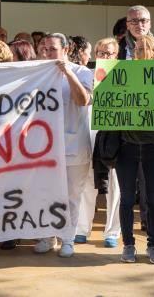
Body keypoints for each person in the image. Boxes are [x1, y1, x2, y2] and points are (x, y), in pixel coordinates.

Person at [33, 33, 93, 258]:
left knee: (71, 195)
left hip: (74, 144)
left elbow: (82, 100)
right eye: (45, 49)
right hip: (44, 146)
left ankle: (68, 238)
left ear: (66, 50)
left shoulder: (83, 72)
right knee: (46, 192)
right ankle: (48, 236)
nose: (48, 53)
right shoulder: (38, 73)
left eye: (53, 49)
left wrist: (67, 72)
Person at [116, 34, 154, 265]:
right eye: (137, 47)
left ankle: (153, 246)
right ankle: (128, 245)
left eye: (144, 48)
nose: (139, 51)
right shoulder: (121, 72)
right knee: (127, 198)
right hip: (127, 146)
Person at [77, 38, 121, 248]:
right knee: (87, 183)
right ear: (96, 55)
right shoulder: (88, 76)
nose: (105, 56)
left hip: (115, 138)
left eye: (109, 53)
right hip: (90, 134)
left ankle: (112, 232)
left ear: (117, 56)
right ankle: (81, 229)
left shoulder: (126, 77)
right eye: (101, 53)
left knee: (115, 185)